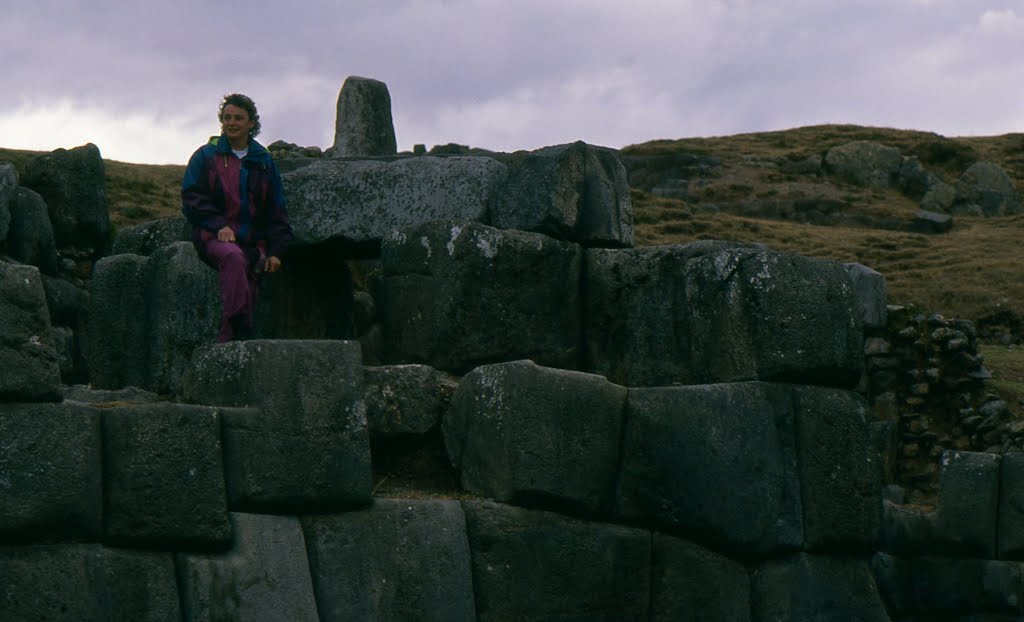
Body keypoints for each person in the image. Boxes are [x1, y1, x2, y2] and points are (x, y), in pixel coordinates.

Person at [181, 93, 292, 342]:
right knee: (233, 257)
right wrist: (218, 225)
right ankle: (240, 324)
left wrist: (276, 250)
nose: (232, 123)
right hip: (213, 237)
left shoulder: (263, 161)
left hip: (253, 241)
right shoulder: (205, 156)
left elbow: (277, 209)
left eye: (238, 118)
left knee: (251, 274)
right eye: (227, 117)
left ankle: (230, 344)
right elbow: (191, 197)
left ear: (251, 123)